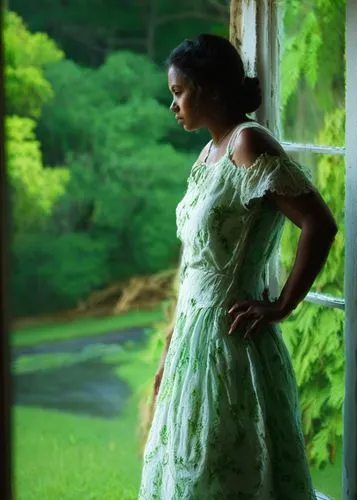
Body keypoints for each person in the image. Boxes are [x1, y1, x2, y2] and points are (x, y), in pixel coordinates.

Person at [138, 34, 337, 500]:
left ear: (209, 89)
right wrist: (169, 351)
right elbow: (194, 269)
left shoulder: (248, 144)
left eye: (178, 92)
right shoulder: (208, 154)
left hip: (231, 344)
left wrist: (282, 305)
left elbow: (318, 224)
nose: (174, 105)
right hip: (192, 340)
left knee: (227, 475)